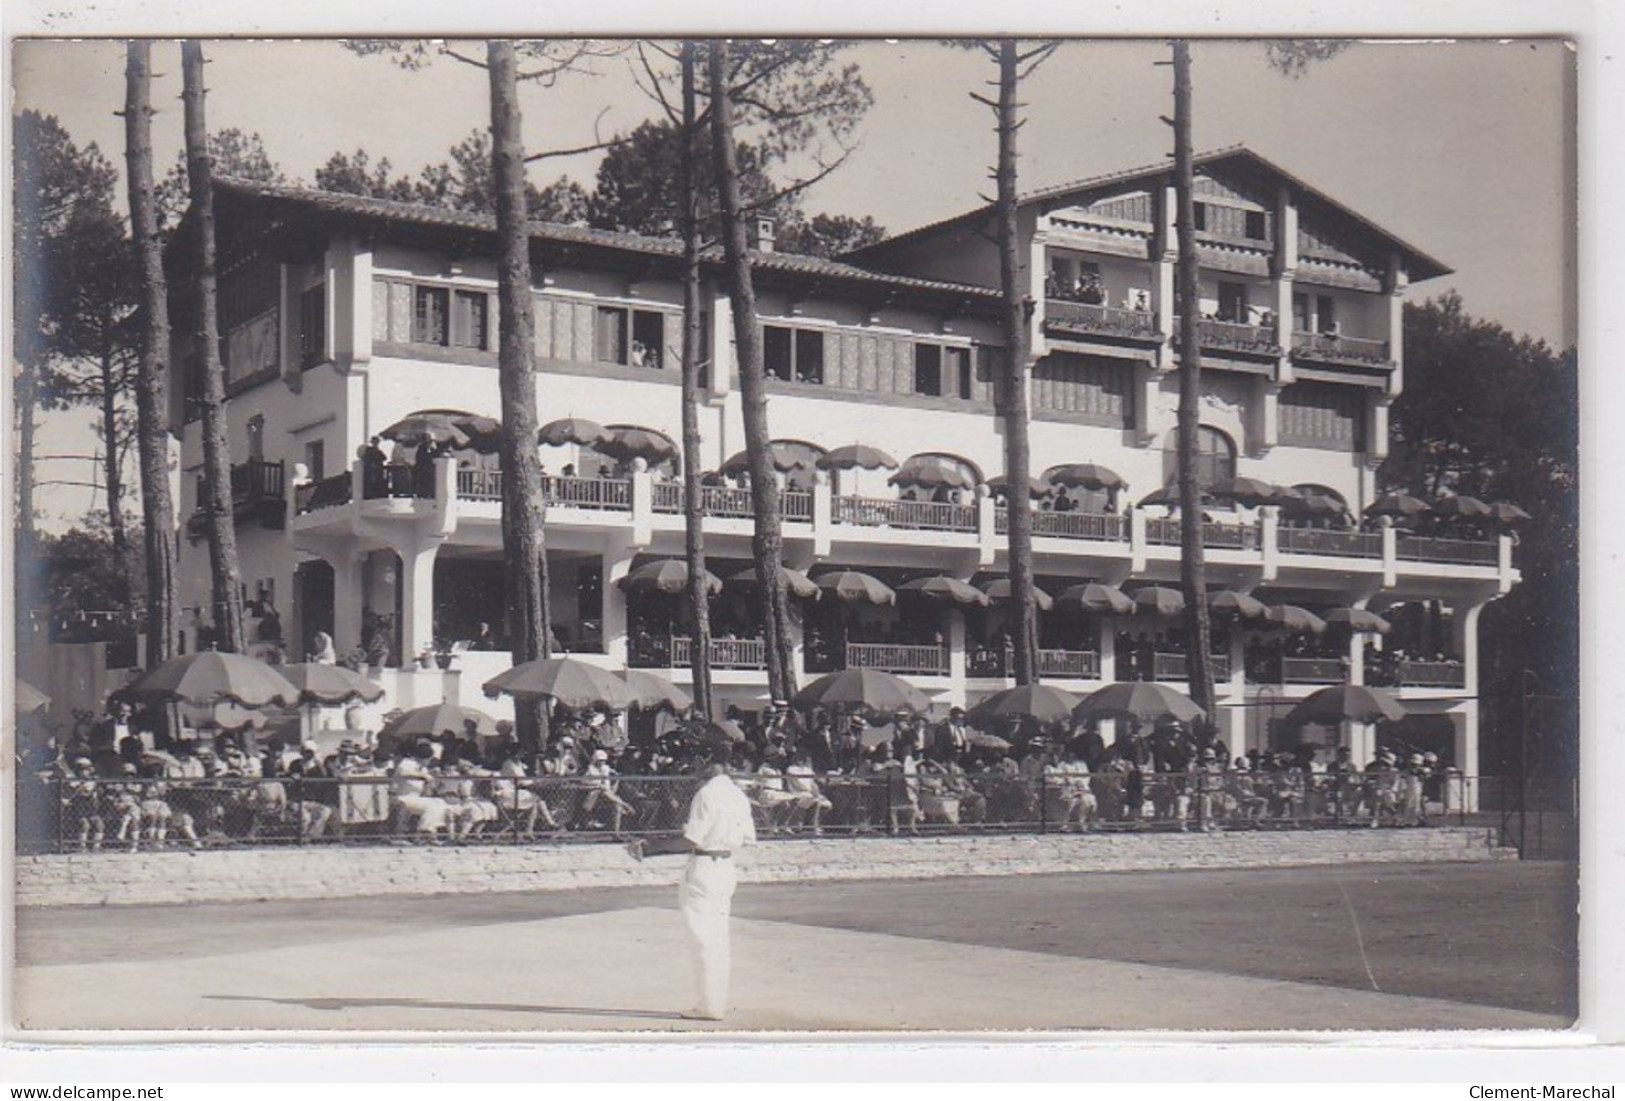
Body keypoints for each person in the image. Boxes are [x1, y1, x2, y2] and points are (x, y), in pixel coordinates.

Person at [625, 740, 758, 1021]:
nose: (693, 766)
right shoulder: (737, 794)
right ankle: (715, 1001)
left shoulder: (706, 794)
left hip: (704, 869)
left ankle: (709, 1006)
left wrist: (648, 847)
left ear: (708, 760)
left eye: (696, 759)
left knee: (702, 940)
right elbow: (747, 838)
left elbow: (690, 839)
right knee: (718, 939)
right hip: (726, 867)